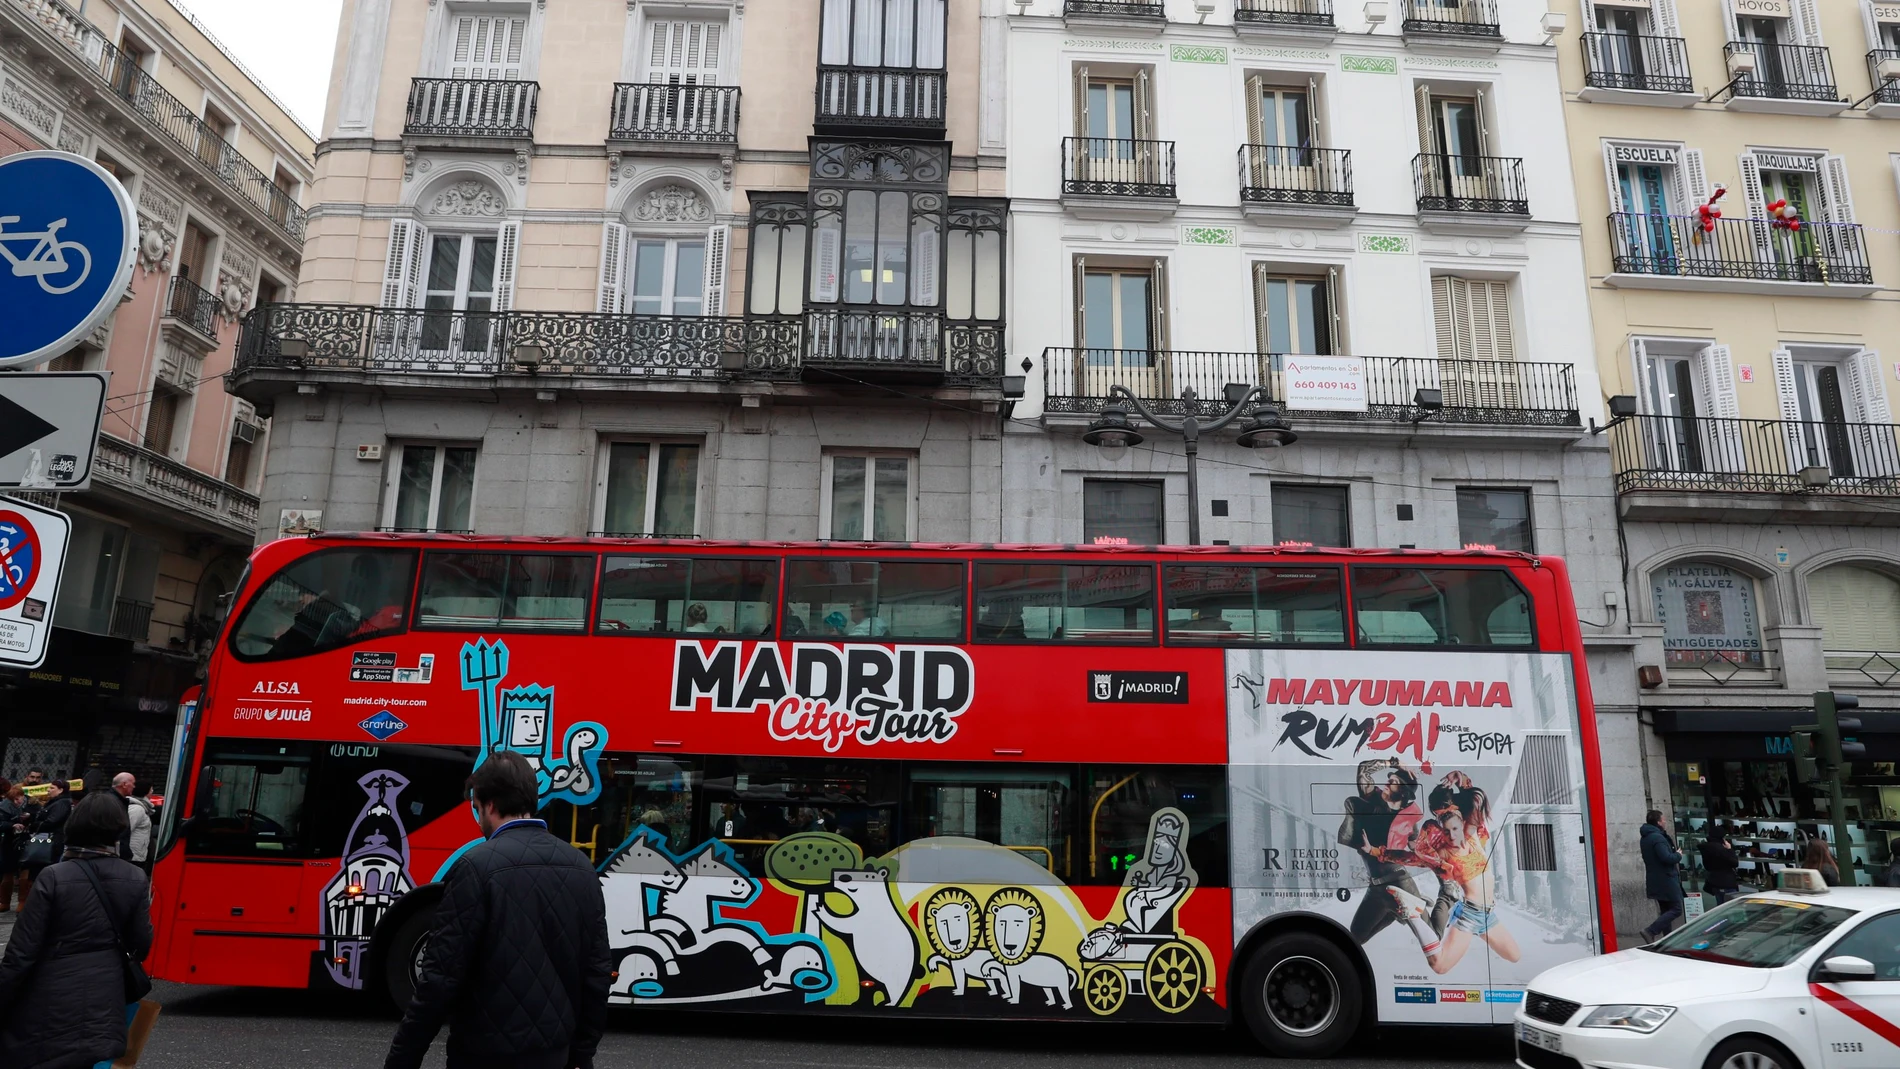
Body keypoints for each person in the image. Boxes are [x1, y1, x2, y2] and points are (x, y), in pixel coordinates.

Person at [385, 751, 611, 1069]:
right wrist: (581, 1054)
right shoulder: (582, 868)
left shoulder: (474, 867)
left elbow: (439, 979)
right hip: (554, 1054)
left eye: (477, 810)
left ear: (490, 805)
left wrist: (402, 1061)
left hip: (482, 1054)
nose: (478, 821)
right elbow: (598, 974)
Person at [0, 791, 152, 1069]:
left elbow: (22, 951)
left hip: (49, 995)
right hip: (105, 997)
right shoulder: (135, 877)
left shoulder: (54, 876)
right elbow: (141, 943)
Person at [1387, 772, 1520, 973]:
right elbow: (1411, 859)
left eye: (1456, 829)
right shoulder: (1445, 853)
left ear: (1461, 821)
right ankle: (1414, 913)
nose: (1453, 835)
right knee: (1439, 966)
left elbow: (1475, 799)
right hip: (1471, 914)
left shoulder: (1473, 836)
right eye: (1447, 831)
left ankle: (1439, 914)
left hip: (1488, 914)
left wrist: (1459, 778)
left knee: (1514, 956)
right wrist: (1378, 852)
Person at [22, 780, 73, 910]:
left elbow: (52, 821)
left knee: (41, 871)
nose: (48, 790)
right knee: (36, 871)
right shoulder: (56, 802)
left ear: (61, 790)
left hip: (49, 843)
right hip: (48, 841)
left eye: (52, 787)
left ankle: (35, 905)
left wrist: (34, 825)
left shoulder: (61, 803)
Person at [1639, 809, 1684, 942]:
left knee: (1665, 910)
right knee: (1676, 908)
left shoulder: (1646, 837)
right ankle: (1650, 931)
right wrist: (1678, 855)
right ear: (1658, 822)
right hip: (1666, 878)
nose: (1665, 821)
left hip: (1656, 879)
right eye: (1663, 819)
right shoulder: (1657, 838)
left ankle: (1668, 939)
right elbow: (1666, 858)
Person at [114, 774, 153, 871]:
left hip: (135, 856)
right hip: (132, 857)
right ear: (146, 791)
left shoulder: (141, 808)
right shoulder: (137, 809)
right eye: (151, 789)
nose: (152, 792)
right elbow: (125, 830)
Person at [1699, 822, 1741, 905]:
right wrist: (1729, 850)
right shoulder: (1721, 849)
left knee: (1720, 906)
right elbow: (1735, 862)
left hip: (1714, 881)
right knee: (1732, 908)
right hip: (1727, 882)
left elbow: (1707, 866)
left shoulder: (1706, 848)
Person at [0, 781, 22, 912]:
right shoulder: (6, 807)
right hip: (9, 843)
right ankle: (5, 901)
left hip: (11, 843)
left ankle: (4, 901)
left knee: (8, 873)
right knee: (8, 873)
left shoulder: (11, 807)